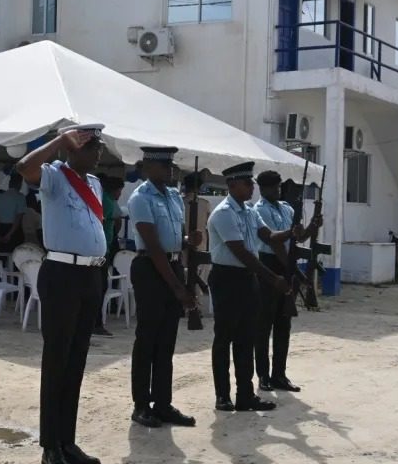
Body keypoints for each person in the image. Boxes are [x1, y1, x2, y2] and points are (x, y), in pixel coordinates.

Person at [16, 123, 107, 464]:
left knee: (77, 360)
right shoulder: (55, 175)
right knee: (57, 360)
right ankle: (50, 446)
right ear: (73, 148)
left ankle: (67, 441)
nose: (99, 154)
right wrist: (57, 140)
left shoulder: (94, 183)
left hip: (90, 274)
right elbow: (24, 168)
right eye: (93, 147)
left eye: (99, 147)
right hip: (61, 273)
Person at [206, 162, 289, 413]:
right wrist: (273, 278)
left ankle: (245, 395)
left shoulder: (250, 211)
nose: (252, 187)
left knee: (246, 338)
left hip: (247, 279)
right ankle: (223, 396)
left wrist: (293, 232)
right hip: (227, 278)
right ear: (233, 185)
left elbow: (268, 236)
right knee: (224, 338)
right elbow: (241, 253)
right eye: (247, 183)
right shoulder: (224, 213)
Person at [127, 147, 199, 429]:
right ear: (147, 168)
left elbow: (173, 239)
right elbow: (154, 245)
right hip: (150, 268)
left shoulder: (173, 197)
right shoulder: (140, 198)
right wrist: (178, 288)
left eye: (170, 164)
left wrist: (188, 241)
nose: (169, 169)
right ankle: (141, 405)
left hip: (172, 264)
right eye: (163, 165)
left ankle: (163, 403)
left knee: (167, 341)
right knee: (147, 340)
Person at [253, 170, 315, 393]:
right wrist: (294, 270)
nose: (278, 190)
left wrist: (312, 226)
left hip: (287, 263)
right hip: (270, 264)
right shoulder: (259, 210)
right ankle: (263, 375)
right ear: (263, 188)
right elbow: (274, 241)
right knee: (264, 324)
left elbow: (299, 237)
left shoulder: (287, 208)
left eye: (279, 186)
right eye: (274, 187)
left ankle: (279, 374)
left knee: (283, 323)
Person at [94, 176, 125, 337]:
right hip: (102, 250)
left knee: (100, 287)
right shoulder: (107, 201)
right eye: (120, 191)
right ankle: (96, 323)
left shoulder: (104, 199)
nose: (120, 194)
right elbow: (112, 221)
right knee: (100, 288)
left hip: (103, 248)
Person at [0, 173, 27, 252]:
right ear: (19, 184)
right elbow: (18, 218)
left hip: (1, 228)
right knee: (15, 254)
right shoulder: (20, 197)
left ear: (9, 183)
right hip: (14, 230)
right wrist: (9, 234)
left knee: (2, 254)